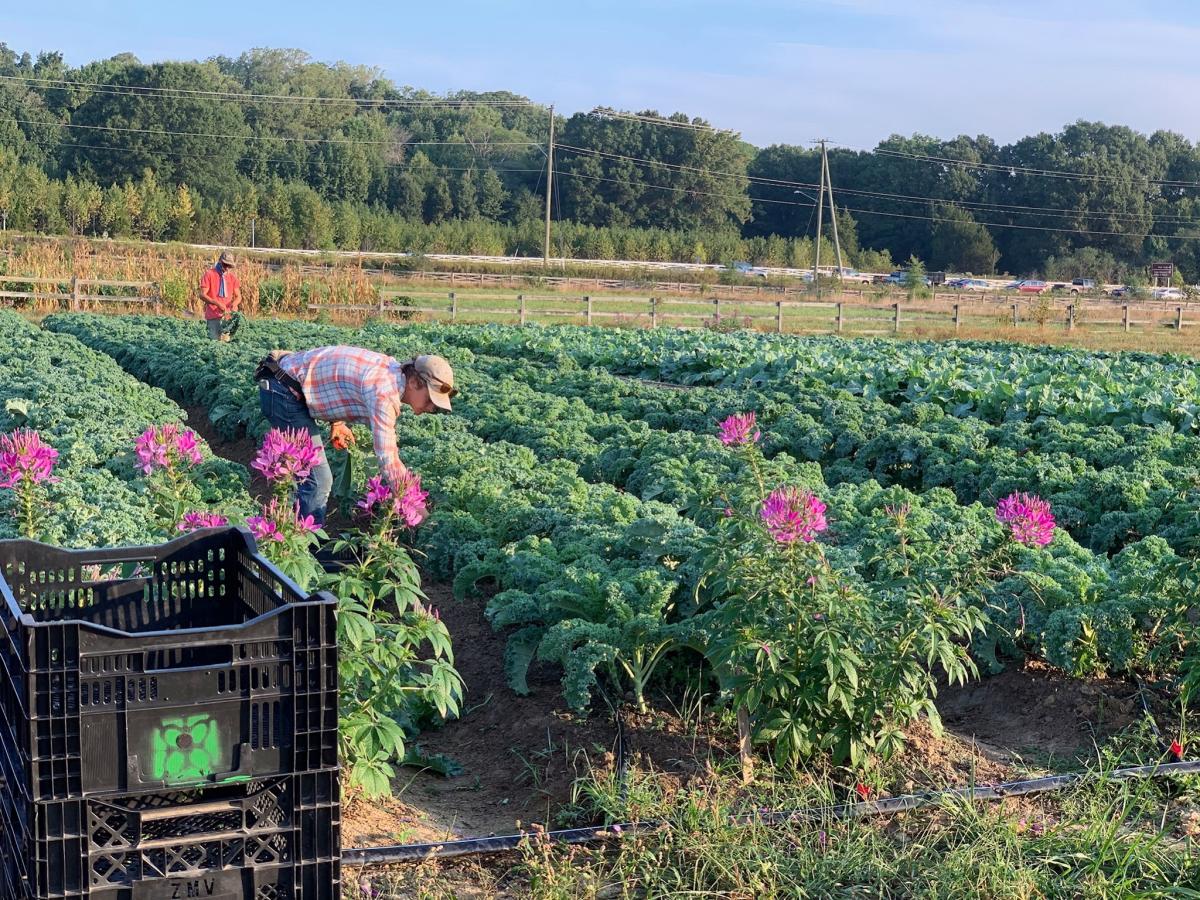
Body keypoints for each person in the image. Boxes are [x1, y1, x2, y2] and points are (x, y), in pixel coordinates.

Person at [255, 347, 455, 526]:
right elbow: (388, 461)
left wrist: (338, 422)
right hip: (282, 392)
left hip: (288, 382)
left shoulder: (391, 371)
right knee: (318, 480)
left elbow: (336, 380)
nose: (431, 407)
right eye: (431, 400)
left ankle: (295, 527)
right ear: (413, 382)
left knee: (309, 476)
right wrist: (416, 506)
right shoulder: (384, 394)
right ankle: (304, 547)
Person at [201, 251, 241, 341]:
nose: (227, 268)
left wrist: (234, 304)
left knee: (225, 344)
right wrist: (216, 303)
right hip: (213, 316)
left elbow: (238, 296)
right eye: (225, 265)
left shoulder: (232, 278)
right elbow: (202, 295)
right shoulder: (209, 274)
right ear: (220, 261)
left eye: (229, 266)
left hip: (228, 317)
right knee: (214, 343)